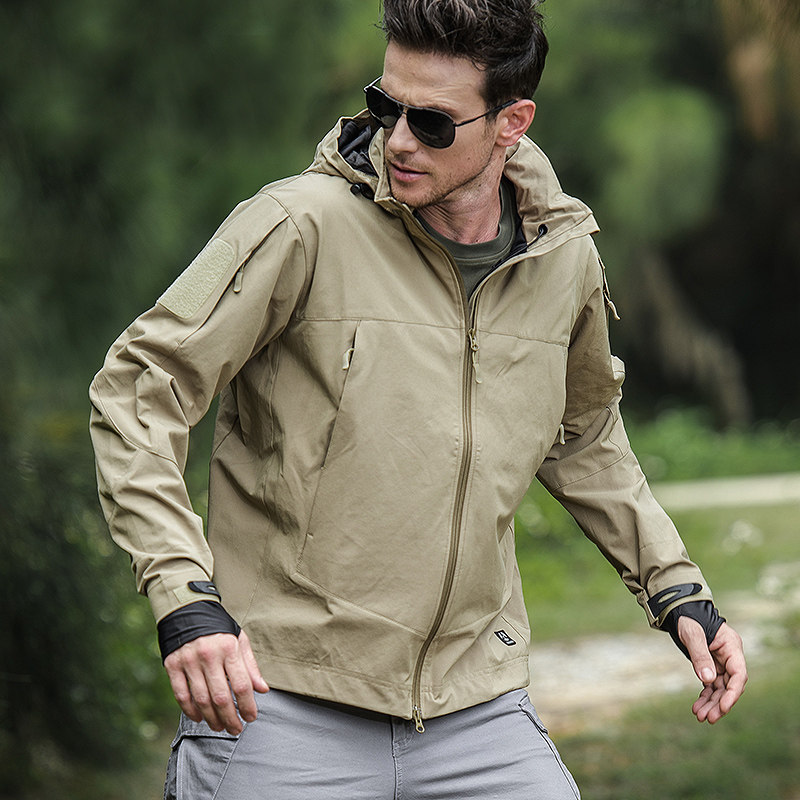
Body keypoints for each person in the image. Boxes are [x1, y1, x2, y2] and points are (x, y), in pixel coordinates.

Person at [89, 1, 747, 797]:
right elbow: (139, 388)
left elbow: (582, 437)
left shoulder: (561, 258)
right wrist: (184, 596)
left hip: (477, 710)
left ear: (511, 123)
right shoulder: (300, 226)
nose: (398, 139)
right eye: (384, 106)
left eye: (432, 123)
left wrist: (677, 591)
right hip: (278, 698)